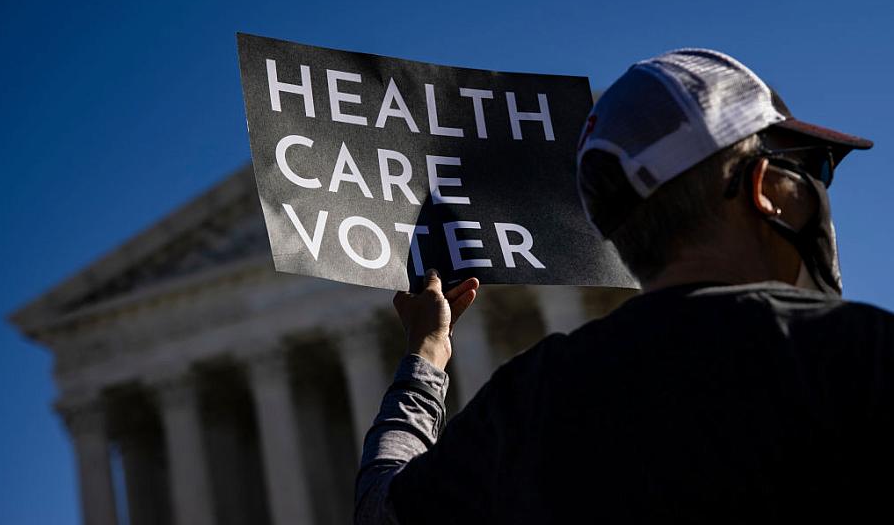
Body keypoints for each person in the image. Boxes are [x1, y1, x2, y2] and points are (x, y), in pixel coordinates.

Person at [354, 48, 893, 523]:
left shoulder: (530, 401)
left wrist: (424, 359)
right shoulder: (861, 355)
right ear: (766, 186)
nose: (820, 191)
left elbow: (384, 511)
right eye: (813, 168)